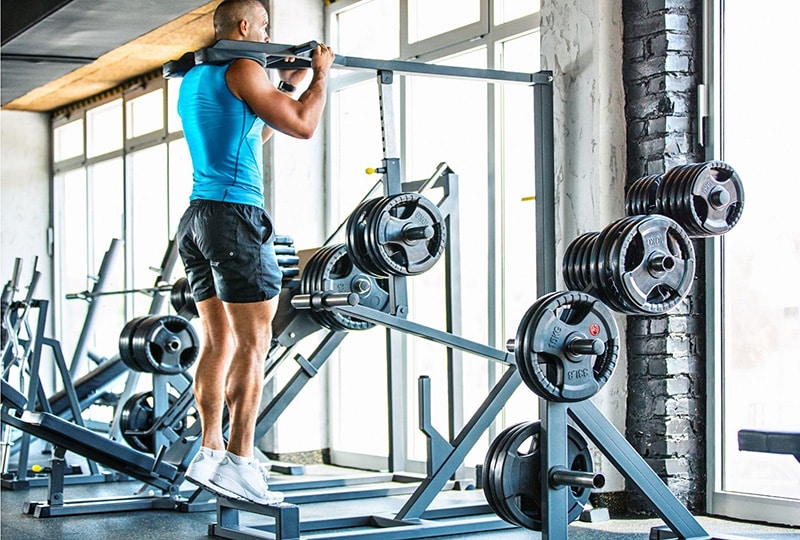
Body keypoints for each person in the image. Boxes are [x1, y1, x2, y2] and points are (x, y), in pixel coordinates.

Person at [176, 0, 334, 505]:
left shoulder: (197, 78)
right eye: (264, 27)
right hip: (234, 217)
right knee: (255, 341)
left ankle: (209, 449)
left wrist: (286, 83)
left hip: (198, 217)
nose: (268, 37)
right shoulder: (244, 66)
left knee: (217, 339)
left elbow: (257, 129)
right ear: (243, 28)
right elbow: (303, 126)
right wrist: (320, 77)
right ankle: (241, 463)